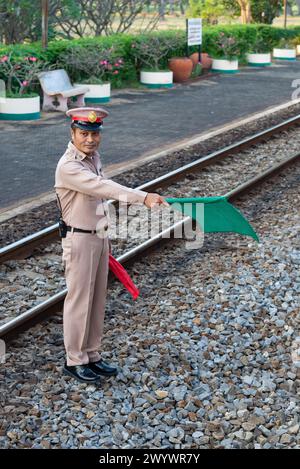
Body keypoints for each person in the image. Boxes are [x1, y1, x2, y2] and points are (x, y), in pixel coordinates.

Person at [55, 107, 167, 384]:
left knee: (96, 300)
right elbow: (103, 187)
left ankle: (92, 354)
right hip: (79, 238)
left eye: (94, 134)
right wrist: (143, 198)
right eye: (84, 133)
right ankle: (74, 360)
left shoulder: (92, 158)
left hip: (98, 236)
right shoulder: (69, 166)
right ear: (72, 134)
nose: (90, 139)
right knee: (79, 301)